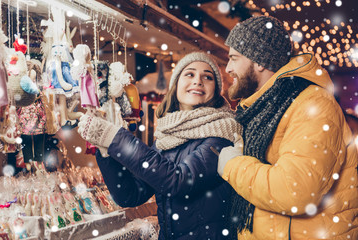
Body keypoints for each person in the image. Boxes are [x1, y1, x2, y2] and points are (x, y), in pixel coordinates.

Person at [217, 15, 358, 240]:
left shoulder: (312, 104)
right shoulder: (262, 107)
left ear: (259, 60)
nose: (228, 68)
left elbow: (296, 191)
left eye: (234, 58)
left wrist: (233, 166)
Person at [77, 52, 242, 239]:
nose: (198, 81)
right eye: (190, 74)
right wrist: (106, 152)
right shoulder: (167, 137)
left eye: (208, 77)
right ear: (176, 84)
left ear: (216, 89)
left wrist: (114, 138)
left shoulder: (222, 135)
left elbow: (179, 181)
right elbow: (130, 194)